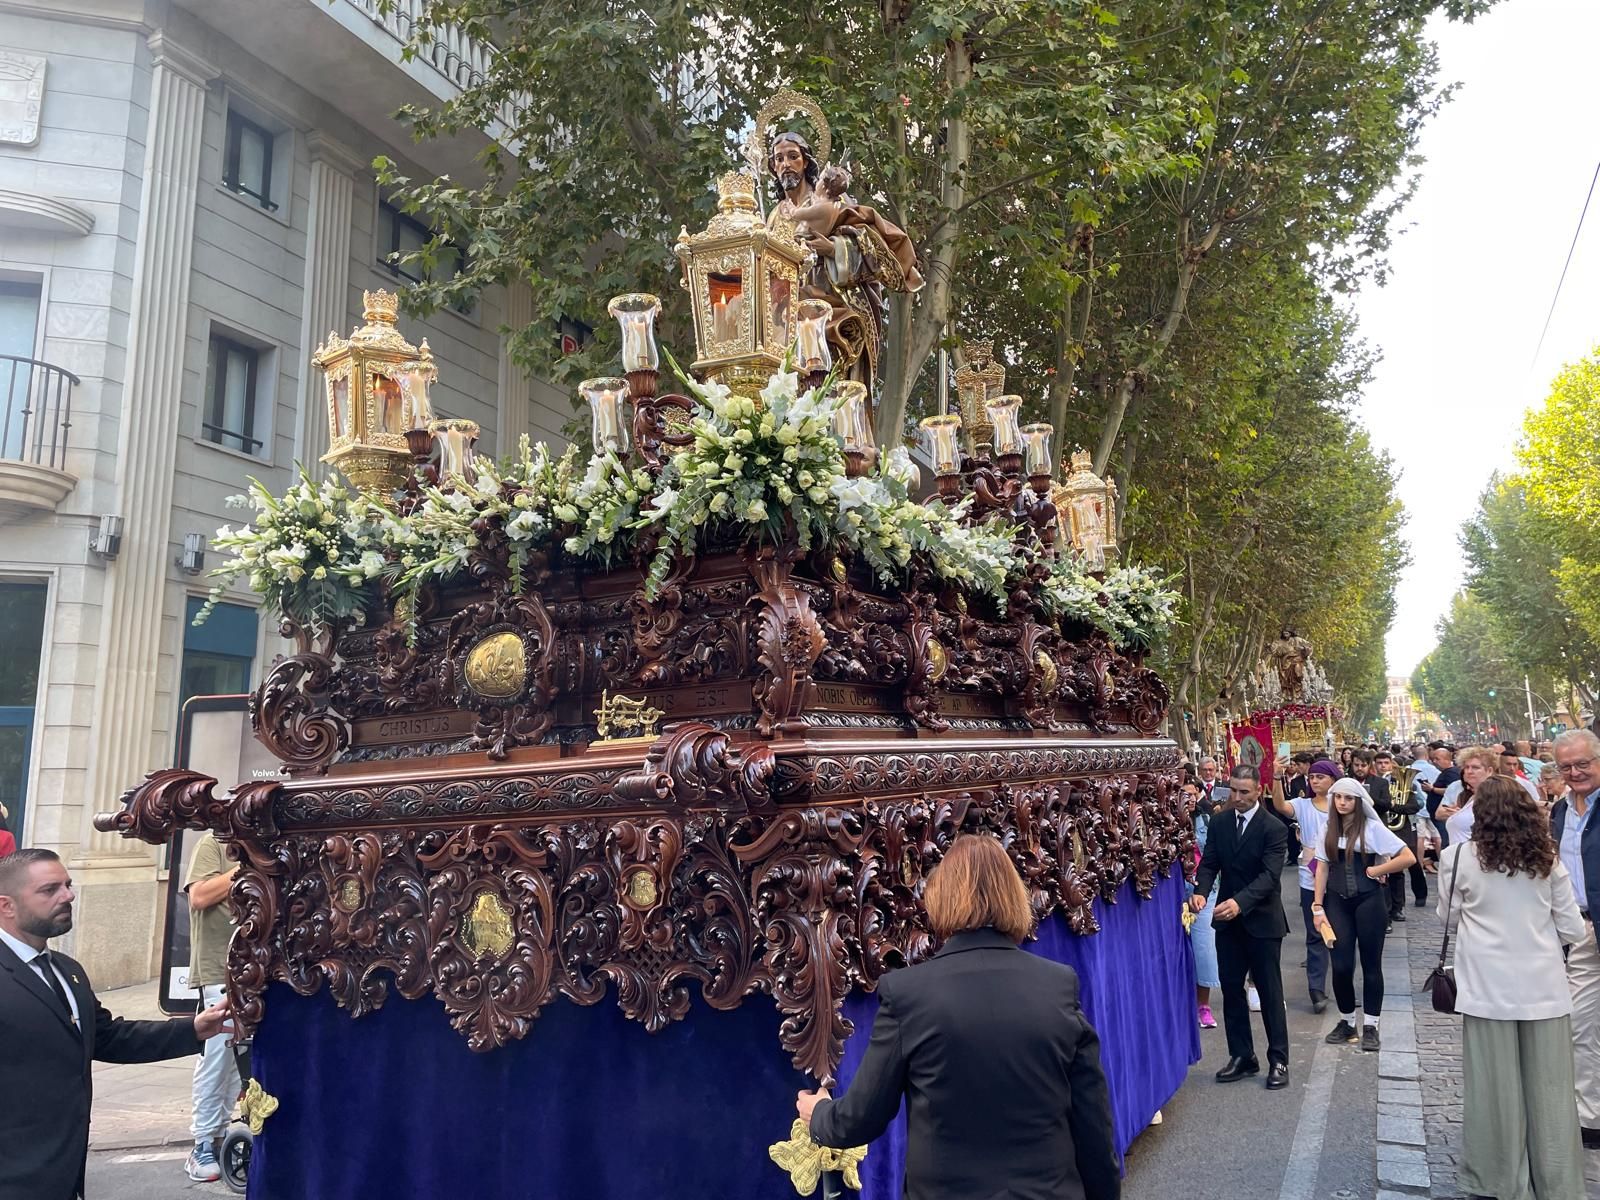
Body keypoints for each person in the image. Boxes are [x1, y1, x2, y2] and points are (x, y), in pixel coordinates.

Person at [799, 835, 1118, 1200]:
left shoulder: (907, 994)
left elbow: (861, 1117)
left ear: (940, 897)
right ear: (1014, 896)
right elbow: (1093, 1124)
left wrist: (819, 1114)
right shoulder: (1058, 985)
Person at [0, 848, 232, 1200]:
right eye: (50, 890)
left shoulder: (67, 971)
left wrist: (195, 1029)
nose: (68, 895)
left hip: (63, 1174)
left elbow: (108, 1037)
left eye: (68, 885)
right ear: (7, 906)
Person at [1439, 776, 1587, 1198]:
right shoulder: (1547, 859)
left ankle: (1499, 1178)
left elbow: (1447, 918)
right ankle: (1558, 1183)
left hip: (1486, 988)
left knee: (1494, 1090)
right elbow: (1573, 929)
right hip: (1544, 986)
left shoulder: (1459, 858)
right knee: (1552, 1092)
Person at [1192, 764, 1292, 1089]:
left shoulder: (1274, 828)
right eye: (1233, 790)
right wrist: (1201, 893)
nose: (1237, 797)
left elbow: (1269, 876)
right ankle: (1242, 1056)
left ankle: (1278, 1059)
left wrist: (1240, 903)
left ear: (1259, 791)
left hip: (1262, 922)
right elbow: (1209, 863)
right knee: (1232, 991)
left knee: (1269, 992)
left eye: (1244, 792)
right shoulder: (1220, 822)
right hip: (1227, 924)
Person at [1310, 779, 1416, 1051]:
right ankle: (1347, 1022)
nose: (1343, 802)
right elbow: (1321, 868)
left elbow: (1407, 857)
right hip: (1336, 901)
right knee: (1342, 966)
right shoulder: (1326, 828)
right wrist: (1317, 906)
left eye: (1349, 798)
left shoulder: (1372, 828)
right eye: (1339, 797)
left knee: (1371, 965)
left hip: (1369, 901)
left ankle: (1371, 1025)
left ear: (1358, 802)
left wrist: (1376, 871)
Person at [1551, 729, 1600, 1149]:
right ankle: (1592, 1118)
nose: (1575, 772)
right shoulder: (1559, 812)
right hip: (1582, 933)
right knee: (1580, 1025)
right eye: (1566, 766)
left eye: (1583, 763)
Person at [183, 832, 241, 1183]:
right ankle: (202, 1142)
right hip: (218, 967)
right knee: (217, 1055)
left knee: (239, 1059)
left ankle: (219, 1134)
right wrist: (244, 869)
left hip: (252, 966)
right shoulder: (213, 843)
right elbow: (199, 896)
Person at [1271, 758, 1339, 1013]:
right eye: (1312, 777)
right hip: (1309, 878)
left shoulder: (1341, 802)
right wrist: (1277, 778)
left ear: (1333, 778)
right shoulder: (1302, 805)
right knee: (1315, 933)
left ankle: (1343, 986)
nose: (1315, 781)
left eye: (1320, 777)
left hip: (1339, 877)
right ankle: (1316, 989)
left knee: (1341, 933)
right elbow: (1280, 805)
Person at [1440, 745, 1541, 843]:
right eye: (1466, 767)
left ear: (1489, 771)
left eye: (1475, 767)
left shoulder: (1498, 794)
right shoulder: (1469, 796)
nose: (1469, 771)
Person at [1372, 750, 1428, 917]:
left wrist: (1393, 807)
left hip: (1403, 828)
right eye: (1379, 763)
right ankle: (1393, 907)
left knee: (1410, 864)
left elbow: (1417, 805)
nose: (1383, 766)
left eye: (1386, 763)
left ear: (1392, 764)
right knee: (1389, 869)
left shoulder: (1404, 783)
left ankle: (1417, 896)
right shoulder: (1375, 783)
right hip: (1383, 828)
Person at [1184, 779, 1220, 1029]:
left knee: (1204, 947)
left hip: (1204, 891)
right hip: (1173, 892)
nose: (1186, 799)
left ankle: (1203, 1006)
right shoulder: (1160, 824)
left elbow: (1213, 858)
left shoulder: (1206, 820)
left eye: (1190, 794)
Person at [1423, 742, 1461, 847]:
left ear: (1447, 759)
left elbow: (1451, 791)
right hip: (1439, 816)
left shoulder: (1451, 773)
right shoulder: (1446, 772)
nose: (1434, 762)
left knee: (1447, 841)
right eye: (1433, 759)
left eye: (1437, 759)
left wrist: (1433, 789)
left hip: (1445, 816)